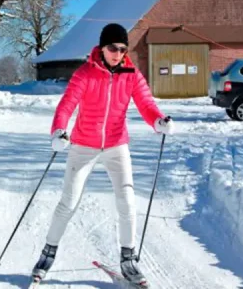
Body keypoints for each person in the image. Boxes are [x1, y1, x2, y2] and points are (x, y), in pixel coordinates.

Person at [31, 23, 174, 285]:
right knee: (69, 203)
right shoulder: (85, 74)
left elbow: (146, 103)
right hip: (84, 145)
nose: (117, 54)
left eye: (122, 49)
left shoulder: (131, 74)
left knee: (127, 201)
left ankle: (128, 259)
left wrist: (157, 121)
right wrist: (59, 131)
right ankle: (47, 254)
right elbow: (66, 105)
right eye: (112, 48)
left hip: (116, 145)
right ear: (102, 47)